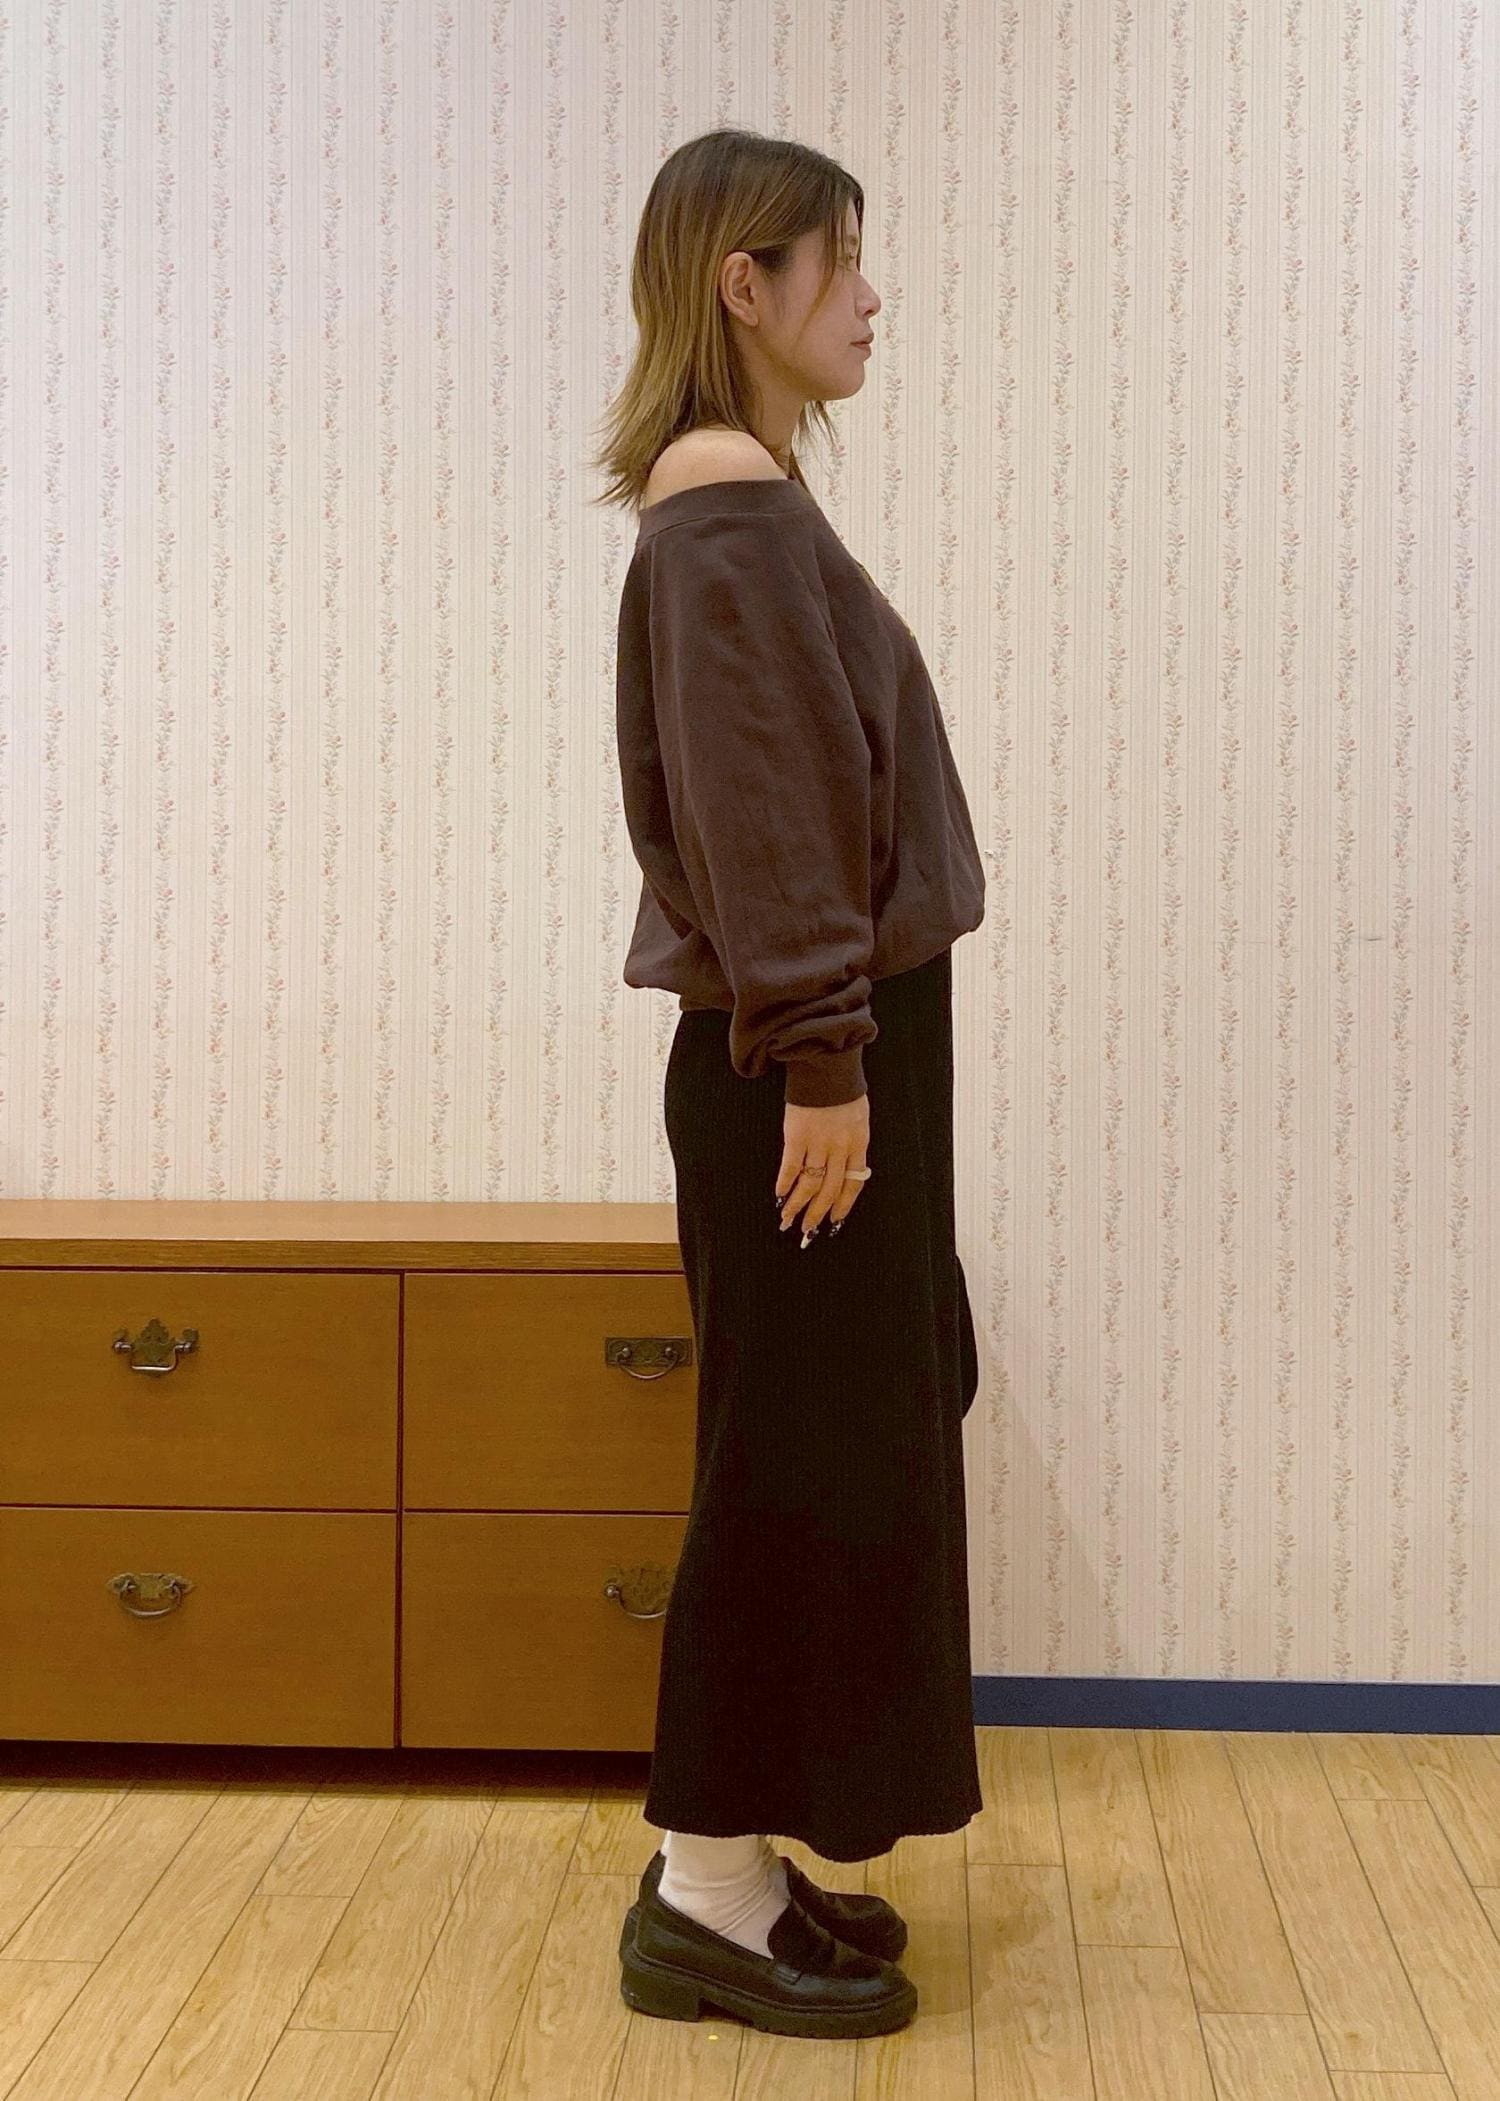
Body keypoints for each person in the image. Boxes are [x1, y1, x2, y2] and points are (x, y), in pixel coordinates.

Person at [591, 127, 986, 2042]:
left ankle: (737, 1856)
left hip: (817, 1055)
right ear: (745, 285)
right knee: (787, 1465)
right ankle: (704, 1893)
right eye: (845, 260)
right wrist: (825, 1055)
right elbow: (769, 807)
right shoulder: (726, 500)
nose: (873, 296)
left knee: (828, 1446)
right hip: (800, 1068)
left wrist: (836, 1049)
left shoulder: (739, 500)